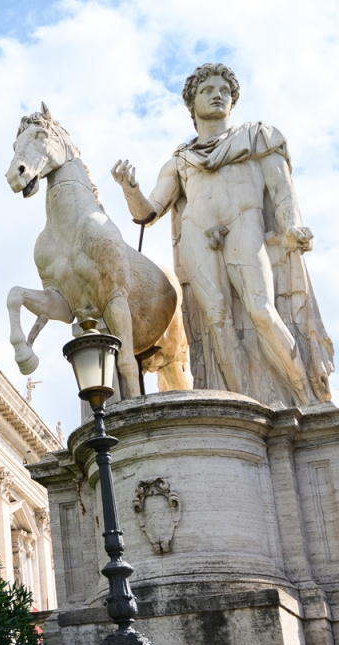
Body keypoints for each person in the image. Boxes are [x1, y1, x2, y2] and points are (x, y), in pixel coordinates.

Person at [112, 63, 332, 406]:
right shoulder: (181, 160)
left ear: (233, 100)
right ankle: (243, 403)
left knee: (261, 311)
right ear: (191, 103)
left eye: (225, 91)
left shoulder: (258, 137)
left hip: (246, 225)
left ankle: (306, 398)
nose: (218, 95)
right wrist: (130, 189)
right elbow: (148, 213)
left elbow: (281, 189)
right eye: (207, 90)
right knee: (216, 322)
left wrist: (291, 227)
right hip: (197, 237)